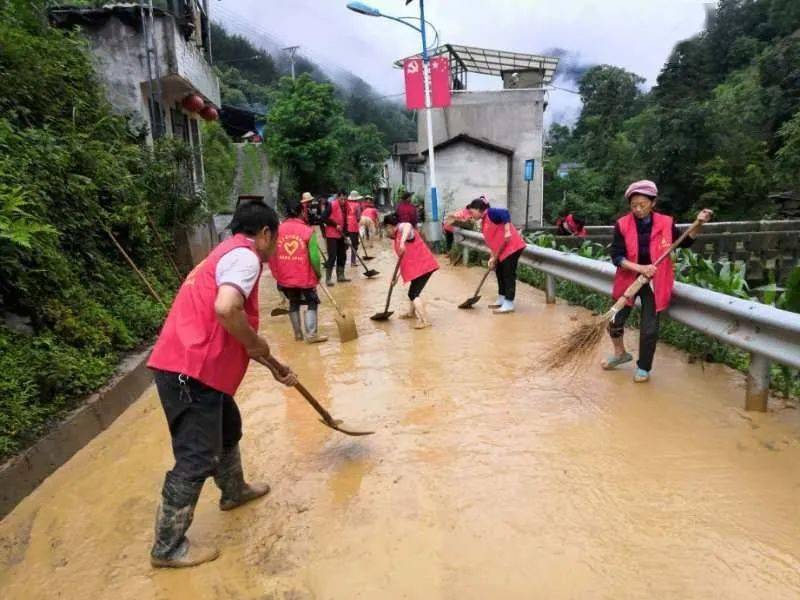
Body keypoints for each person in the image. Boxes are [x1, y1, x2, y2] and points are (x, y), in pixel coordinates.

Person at [146, 199, 297, 568]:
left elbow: (230, 327)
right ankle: (166, 548)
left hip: (193, 368)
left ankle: (233, 491)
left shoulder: (223, 254)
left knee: (228, 427)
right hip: (190, 372)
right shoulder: (245, 259)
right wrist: (254, 344)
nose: (274, 247)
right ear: (265, 234)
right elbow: (227, 309)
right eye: (274, 239)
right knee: (197, 456)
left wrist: (272, 364)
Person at [603, 180, 713, 382]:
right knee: (614, 320)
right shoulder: (622, 224)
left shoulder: (666, 222)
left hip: (655, 281)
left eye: (642, 204)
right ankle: (620, 354)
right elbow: (617, 257)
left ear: (652, 203)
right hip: (630, 278)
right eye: (633, 205)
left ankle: (643, 368)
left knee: (649, 328)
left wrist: (699, 224)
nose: (637, 209)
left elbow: (686, 242)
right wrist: (641, 268)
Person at [268, 200, 327, 344]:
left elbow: (271, 255)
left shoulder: (277, 231)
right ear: (302, 212)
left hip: (285, 277)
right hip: (305, 276)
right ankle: (311, 335)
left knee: (293, 303)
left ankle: (298, 335)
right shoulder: (307, 231)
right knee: (312, 302)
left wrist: (277, 274)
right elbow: (314, 257)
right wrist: (318, 274)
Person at [466, 197, 527, 314]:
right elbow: (492, 241)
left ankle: (509, 303)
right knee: (499, 272)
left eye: (472, 212)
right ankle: (502, 298)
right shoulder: (484, 222)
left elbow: (505, 213)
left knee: (508, 274)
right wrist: (492, 257)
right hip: (501, 251)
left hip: (512, 247)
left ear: (479, 210)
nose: (471, 215)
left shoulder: (491, 213)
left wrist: (508, 230)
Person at [382, 214, 439, 329]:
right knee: (413, 290)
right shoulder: (397, 237)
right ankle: (411, 313)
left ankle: (425, 321)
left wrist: (402, 242)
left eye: (386, 229)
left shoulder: (403, 230)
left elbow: (408, 225)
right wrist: (397, 277)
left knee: (413, 294)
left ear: (389, 226)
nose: (386, 232)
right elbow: (403, 260)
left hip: (424, 266)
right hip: (418, 268)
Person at [320, 190, 350, 285]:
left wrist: (347, 236)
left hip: (341, 235)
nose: (343, 201)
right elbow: (323, 218)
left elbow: (345, 222)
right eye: (341, 199)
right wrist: (334, 224)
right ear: (338, 197)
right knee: (332, 256)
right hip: (332, 235)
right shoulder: (332, 205)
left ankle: (340, 276)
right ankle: (328, 279)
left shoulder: (345, 207)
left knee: (342, 255)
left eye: (345, 199)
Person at [345, 190, 363, 266]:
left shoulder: (346, 204)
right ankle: (353, 261)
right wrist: (357, 220)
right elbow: (358, 217)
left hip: (346, 225)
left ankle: (343, 261)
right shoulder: (357, 205)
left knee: (345, 244)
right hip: (353, 226)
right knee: (355, 244)